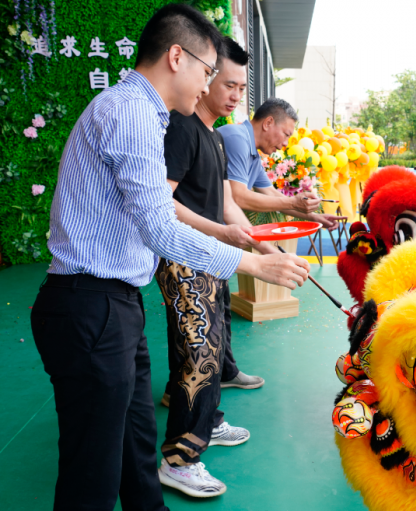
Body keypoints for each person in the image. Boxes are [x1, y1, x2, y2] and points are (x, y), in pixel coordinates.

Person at [29, 5, 309, 510]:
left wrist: (236, 237)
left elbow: (162, 210)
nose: (208, 85)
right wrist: (253, 264)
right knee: (91, 471)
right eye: (207, 71)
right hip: (90, 306)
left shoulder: (146, 115)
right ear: (176, 56)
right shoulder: (131, 113)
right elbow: (160, 225)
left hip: (115, 305)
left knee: (135, 451)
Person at [155, 37, 271, 497]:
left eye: (243, 88)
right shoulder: (182, 128)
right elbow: (163, 201)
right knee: (200, 356)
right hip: (185, 258)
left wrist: (262, 248)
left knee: (211, 348)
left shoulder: (216, 136)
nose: (236, 95)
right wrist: (223, 235)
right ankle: (180, 459)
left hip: (211, 258)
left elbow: (225, 204)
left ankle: (208, 422)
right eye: (227, 83)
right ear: (204, 79)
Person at [218, 98, 345, 231]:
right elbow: (238, 197)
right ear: (268, 123)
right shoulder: (237, 138)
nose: (285, 144)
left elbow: (271, 193)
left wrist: (315, 217)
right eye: (286, 135)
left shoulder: (252, 152)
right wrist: (293, 203)